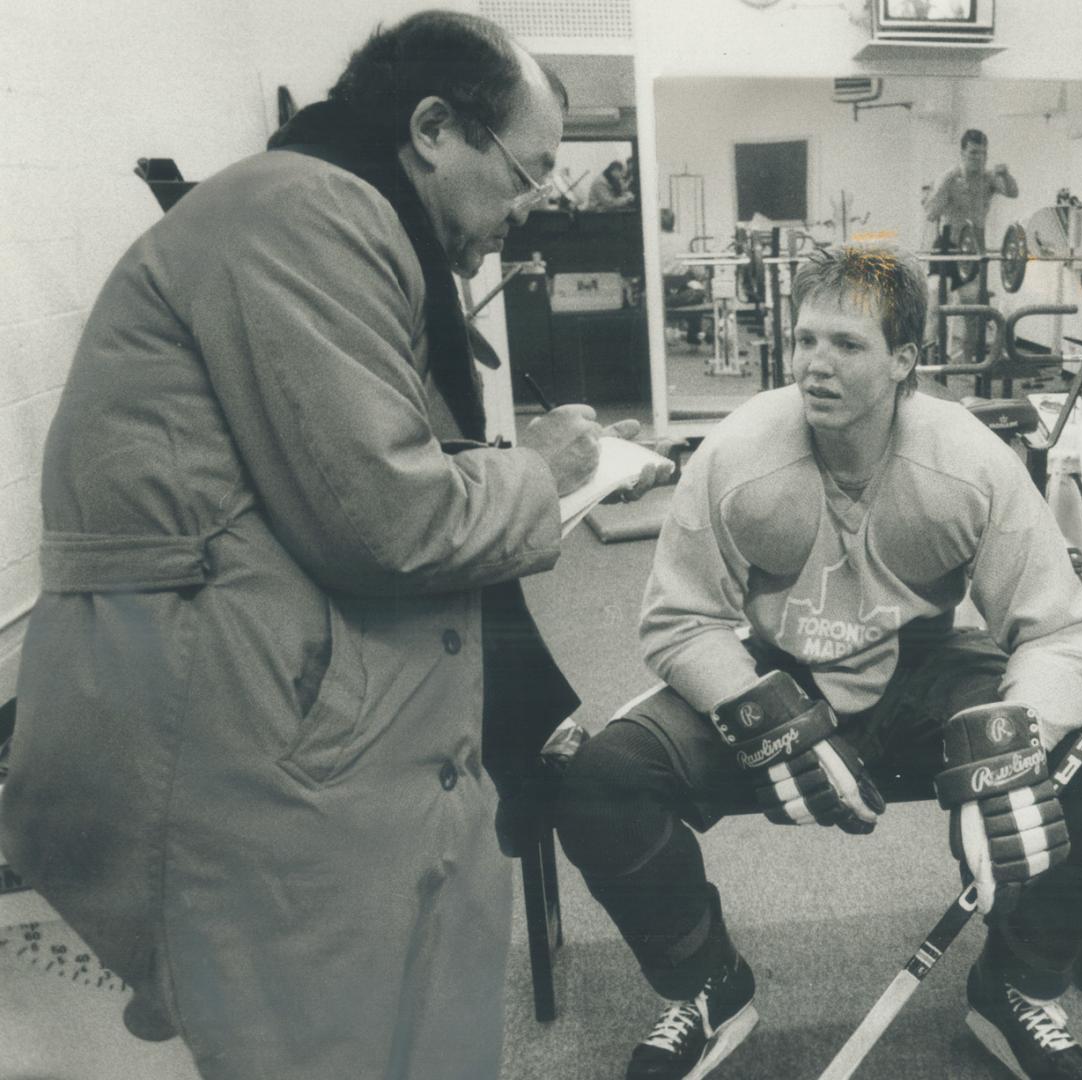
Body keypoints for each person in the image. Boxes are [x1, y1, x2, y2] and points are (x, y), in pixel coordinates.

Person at [0, 12, 668, 1080]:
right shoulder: (304, 212)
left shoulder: (325, 210)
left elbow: (366, 467)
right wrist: (539, 472)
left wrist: (523, 470)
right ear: (435, 127)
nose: (532, 208)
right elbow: (388, 521)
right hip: (249, 752)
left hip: (307, 729)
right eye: (527, 172)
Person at [557, 246, 1082, 1080]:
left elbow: (1063, 629)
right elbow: (679, 621)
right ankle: (708, 986)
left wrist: (1020, 740)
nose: (814, 365)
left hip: (926, 669)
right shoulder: (738, 456)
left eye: (846, 345)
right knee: (600, 781)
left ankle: (1012, 986)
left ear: (904, 361)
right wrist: (765, 718)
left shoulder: (967, 462)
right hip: (775, 668)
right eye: (804, 341)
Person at [924, 129, 1018, 363]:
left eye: (983, 153)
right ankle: (925, 361)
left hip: (974, 247)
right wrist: (941, 189)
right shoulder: (950, 178)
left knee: (973, 311)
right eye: (974, 153)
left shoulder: (989, 179)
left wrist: (1006, 175)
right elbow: (931, 213)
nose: (979, 158)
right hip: (947, 244)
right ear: (962, 153)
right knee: (935, 304)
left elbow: (1013, 192)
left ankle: (969, 364)